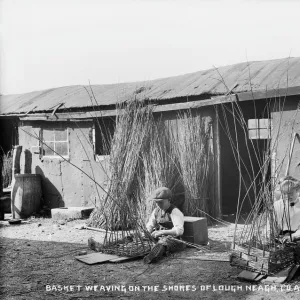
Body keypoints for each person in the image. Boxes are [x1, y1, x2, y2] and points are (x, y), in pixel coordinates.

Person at [143, 187, 185, 264]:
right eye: (157, 202)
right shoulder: (156, 210)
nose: (158, 204)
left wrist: (162, 232)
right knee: (138, 236)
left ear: (169, 200)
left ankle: (152, 256)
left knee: (163, 243)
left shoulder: (175, 211)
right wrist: (148, 230)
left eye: (161, 202)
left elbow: (179, 231)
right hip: (158, 237)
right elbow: (150, 224)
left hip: (173, 240)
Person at [273, 176, 300, 243]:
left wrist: (293, 236)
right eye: (284, 194)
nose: (287, 196)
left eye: (290, 193)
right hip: (280, 237)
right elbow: (271, 223)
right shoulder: (277, 205)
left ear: (297, 190)